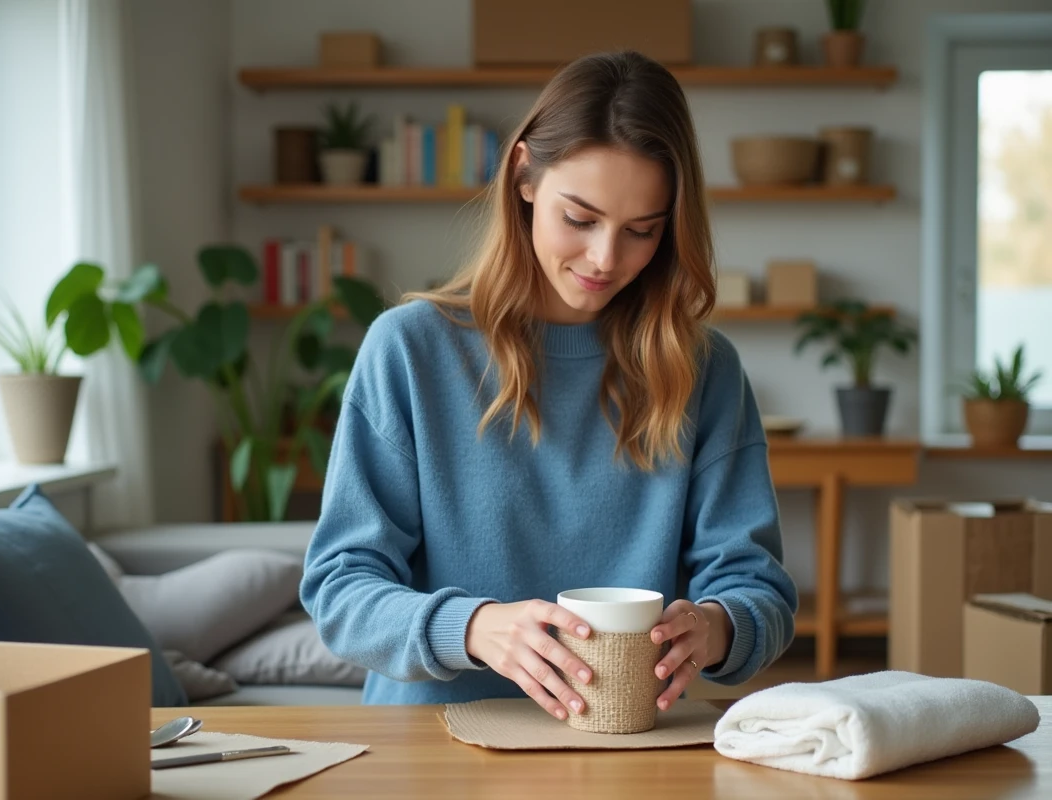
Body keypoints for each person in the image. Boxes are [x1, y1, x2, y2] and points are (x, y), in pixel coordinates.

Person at [300, 50, 798, 720]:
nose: (605, 258)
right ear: (524, 175)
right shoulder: (410, 350)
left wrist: (717, 626)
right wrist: (473, 628)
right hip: (427, 746)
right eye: (580, 218)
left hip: (627, 748)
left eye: (641, 232)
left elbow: (759, 588)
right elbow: (339, 587)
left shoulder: (705, 371)